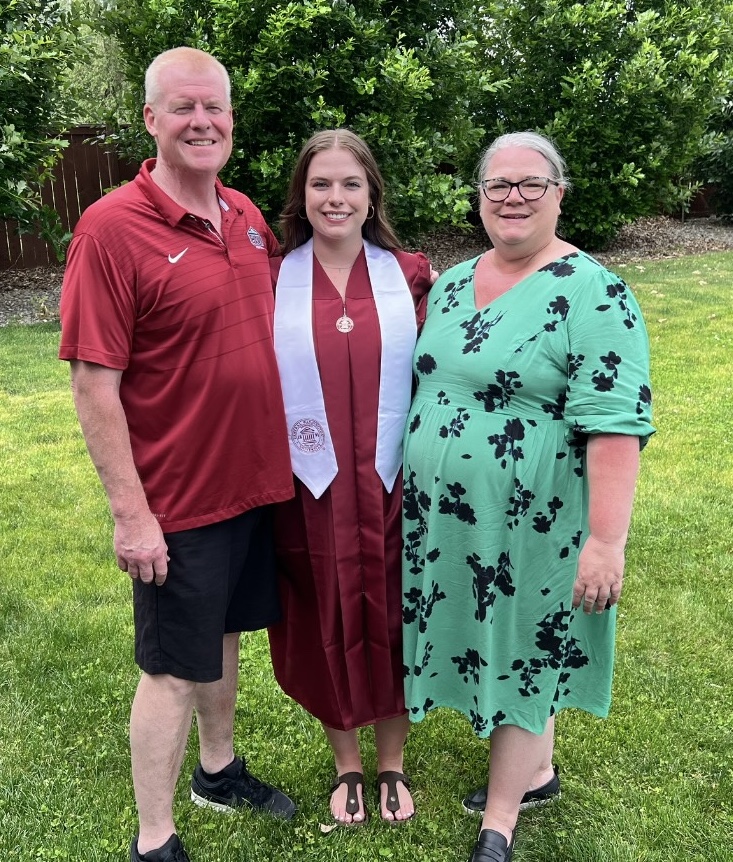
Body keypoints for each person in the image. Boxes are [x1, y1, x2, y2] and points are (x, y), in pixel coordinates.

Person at [59, 47, 296, 862]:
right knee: (170, 667)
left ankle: (218, 771)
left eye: (215, 108)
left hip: (252, 484)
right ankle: (153, 838)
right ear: (151, 120)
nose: (202, 122)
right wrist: (133, 516)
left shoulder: (247, 216)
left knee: (224, 639)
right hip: (177, 500)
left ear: (231, 119)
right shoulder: (111, 229)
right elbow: (95, 385)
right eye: (183, 108)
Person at [400, 131, 654, 862]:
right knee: (493, 644)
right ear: (478, 196)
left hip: (533, 523)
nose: (511, 198)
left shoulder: (594, 292)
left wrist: (605, 543)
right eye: (496, 185)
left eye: (529, 185)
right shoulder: (450, 282)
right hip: (449, 524)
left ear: (558, 194)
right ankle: (535, 770)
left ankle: (500, 820)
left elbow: (614, 427)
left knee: (524, 652)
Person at [268, 129, 434, 825]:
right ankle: (346, 765)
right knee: (321, 613)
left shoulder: (411, 274)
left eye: (349, 184)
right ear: (301, 196)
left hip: (396, 485)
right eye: (320, 184)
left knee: (396, 613)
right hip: (310, 488)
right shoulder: (271, 278)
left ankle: (391, 762)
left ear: (371, 196)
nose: (334, 198)